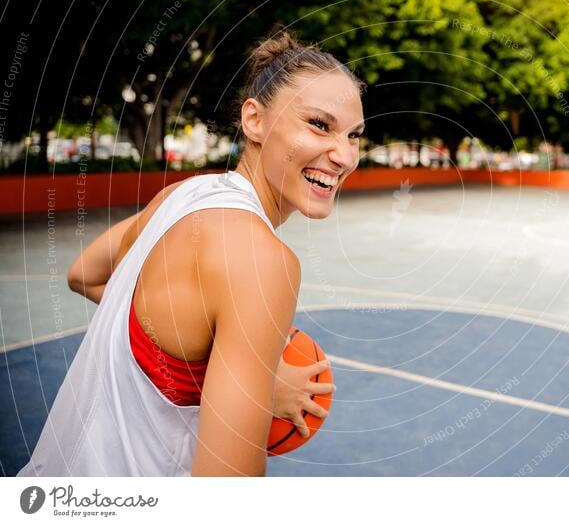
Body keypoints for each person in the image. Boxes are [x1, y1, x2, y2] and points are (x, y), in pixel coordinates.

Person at [17, 29, 366, 477]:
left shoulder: (184, 195)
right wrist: (248, 381)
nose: (344, 155)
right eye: (319, 124)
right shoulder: (262, 259)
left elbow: (83, 273)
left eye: (354, 134)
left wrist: (216, 371)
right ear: (254, 120)